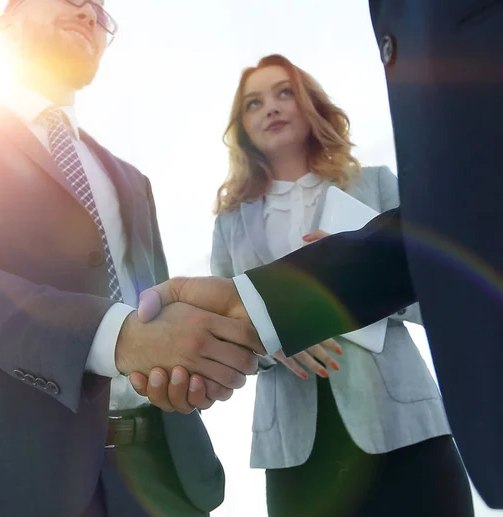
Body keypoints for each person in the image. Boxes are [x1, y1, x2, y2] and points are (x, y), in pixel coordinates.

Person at [130, 0, 503, 508]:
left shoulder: (376, 185)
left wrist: (330, 303)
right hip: (294, 444)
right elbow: (232, 327)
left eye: (286, 92)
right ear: (240, 127)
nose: (273, 107)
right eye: (254, 102)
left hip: (404, 427)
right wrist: (274, 338)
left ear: (311, 106)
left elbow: (443, 288)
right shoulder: (230, 224)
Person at [0, 1, 265, 516]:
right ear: (7, 22)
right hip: (5, 470)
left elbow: (154, 303)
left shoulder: (131, 180)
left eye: (100, 11)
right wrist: (119, 337)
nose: (89, 11)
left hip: (158, 476)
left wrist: (187, 363)